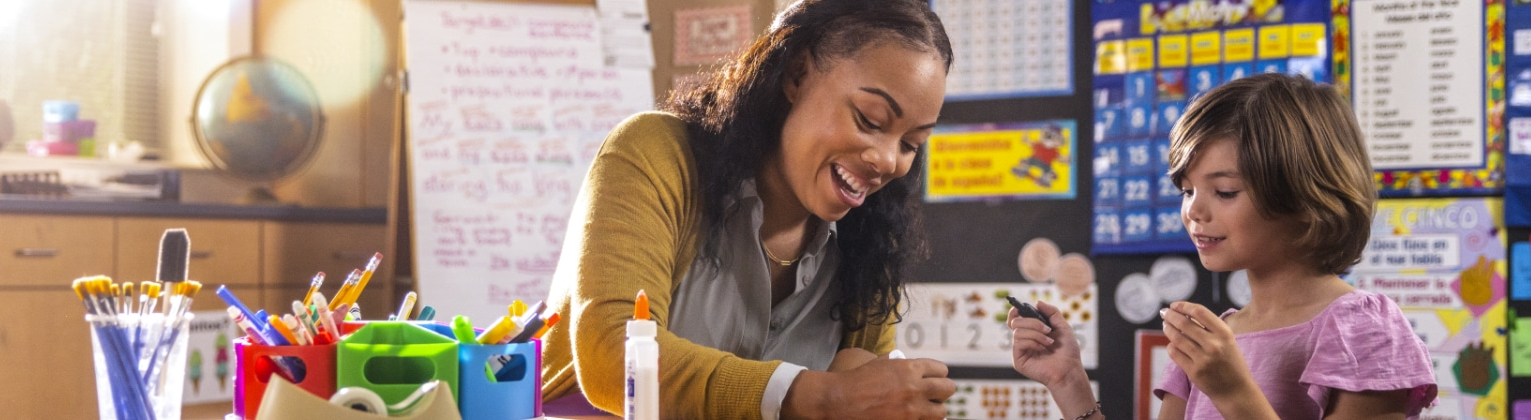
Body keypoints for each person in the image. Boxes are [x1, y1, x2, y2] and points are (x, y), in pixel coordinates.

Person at [537, 0, 957, 418]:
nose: (888, 161)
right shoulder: (656, 154)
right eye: (869, 119)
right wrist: (822, 395)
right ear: (797, 74)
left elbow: (867, 392)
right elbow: (615, 358)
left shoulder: (868, 243)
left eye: (909, 145)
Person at [1009, 73, 1438, 420]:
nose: (1194, 211)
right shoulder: (1212, 341)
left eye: (1225, 191)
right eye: (1186, 190)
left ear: (1308, 199)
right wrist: (1070, 383)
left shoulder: (1363, 331)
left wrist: (1234, 393)